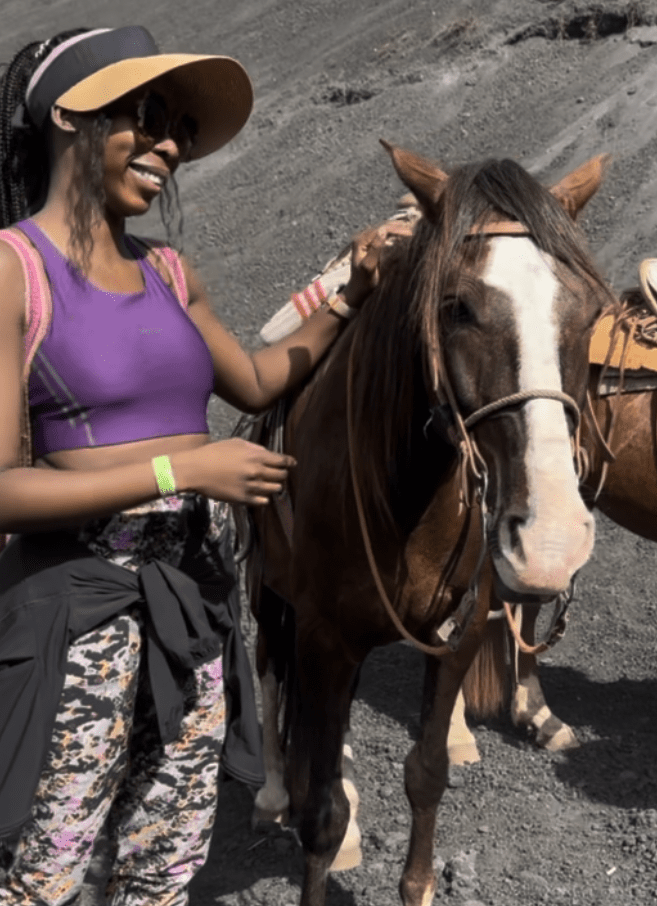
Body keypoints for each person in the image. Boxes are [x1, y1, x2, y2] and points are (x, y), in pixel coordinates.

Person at [0, 25, 395, 906]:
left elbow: (256, 378)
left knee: (168, 850)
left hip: (195, 599)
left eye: (180, 126)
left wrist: (351, 294)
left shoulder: (171, 272)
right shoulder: (12, 271)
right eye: (148, 117)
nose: (172, 145)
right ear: (69, 116)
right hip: (79, 613)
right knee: (48, 867)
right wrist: (187, 474)